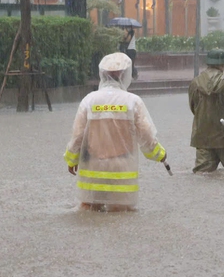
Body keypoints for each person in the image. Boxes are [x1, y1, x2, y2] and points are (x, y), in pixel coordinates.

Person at [64, 52, 167, 212]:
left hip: (93, 165)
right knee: (121, 215)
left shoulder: (89, 100)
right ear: (125, 75)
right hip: (122, 167)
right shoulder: (133, 102)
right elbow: (146, 136)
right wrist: (160, 155)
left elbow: (78, 135)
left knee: (89, 211)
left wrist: (72, 160)